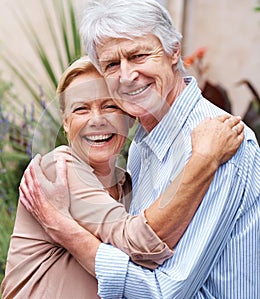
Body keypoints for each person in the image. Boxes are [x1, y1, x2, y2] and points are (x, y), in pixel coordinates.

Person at [20, 0, 260, 298]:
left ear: (174, 52)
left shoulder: (222, 145)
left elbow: (164, 292)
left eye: (139, 55)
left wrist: (62, 228)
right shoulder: (140, 146)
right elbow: (135, 249)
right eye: (111, 64)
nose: (126, 75)